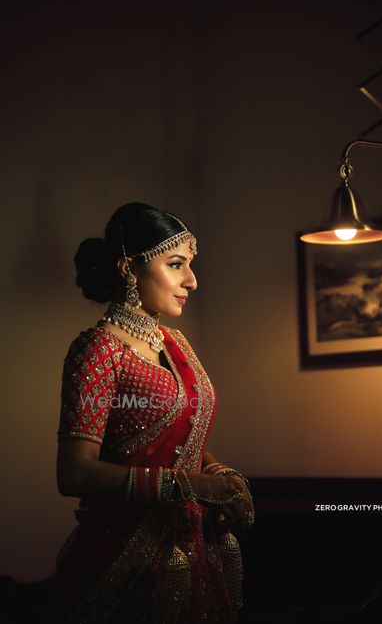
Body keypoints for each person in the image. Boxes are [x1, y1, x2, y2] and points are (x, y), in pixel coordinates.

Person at [41, 202, 254, 624]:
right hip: (125, 551)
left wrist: (218, 476)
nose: (191, 280)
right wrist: (186, 486)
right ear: (128, 268)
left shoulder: (176, 343)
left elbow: (183, 438)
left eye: (190, 265)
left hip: (194, 543)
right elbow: (75, 473)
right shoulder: (98, 350)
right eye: (176, 264)